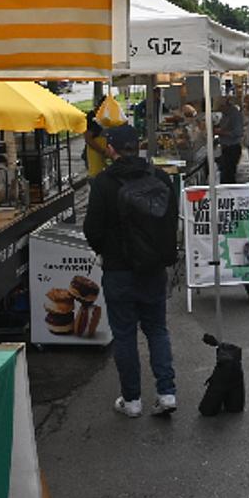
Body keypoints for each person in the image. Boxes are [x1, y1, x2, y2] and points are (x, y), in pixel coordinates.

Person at [83, 124, 178, 418]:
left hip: (118, 270)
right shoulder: (160, 178)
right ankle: (167, 393)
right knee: (157, 330)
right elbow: (171, 221)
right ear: (137, 146)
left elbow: (92, 229)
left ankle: (132, 399)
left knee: (124, 336)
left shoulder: (103, 183)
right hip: (152, 269)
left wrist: (105, 250)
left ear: (110, 149)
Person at [215, 96, 244, 184]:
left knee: (229, 173)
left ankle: (230, 192)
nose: (220, 110)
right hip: (226, 147)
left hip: (232, 148)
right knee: (226, 172)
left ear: (225, 106)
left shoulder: (234, 114)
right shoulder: (225, 114)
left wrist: (221, 132)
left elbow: (237, 132)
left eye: (220, 107)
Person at [83, 110, 114, 178]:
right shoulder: (94, 119)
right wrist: (103, 151)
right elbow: (88, 138)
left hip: (102, 161)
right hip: (95, 161)